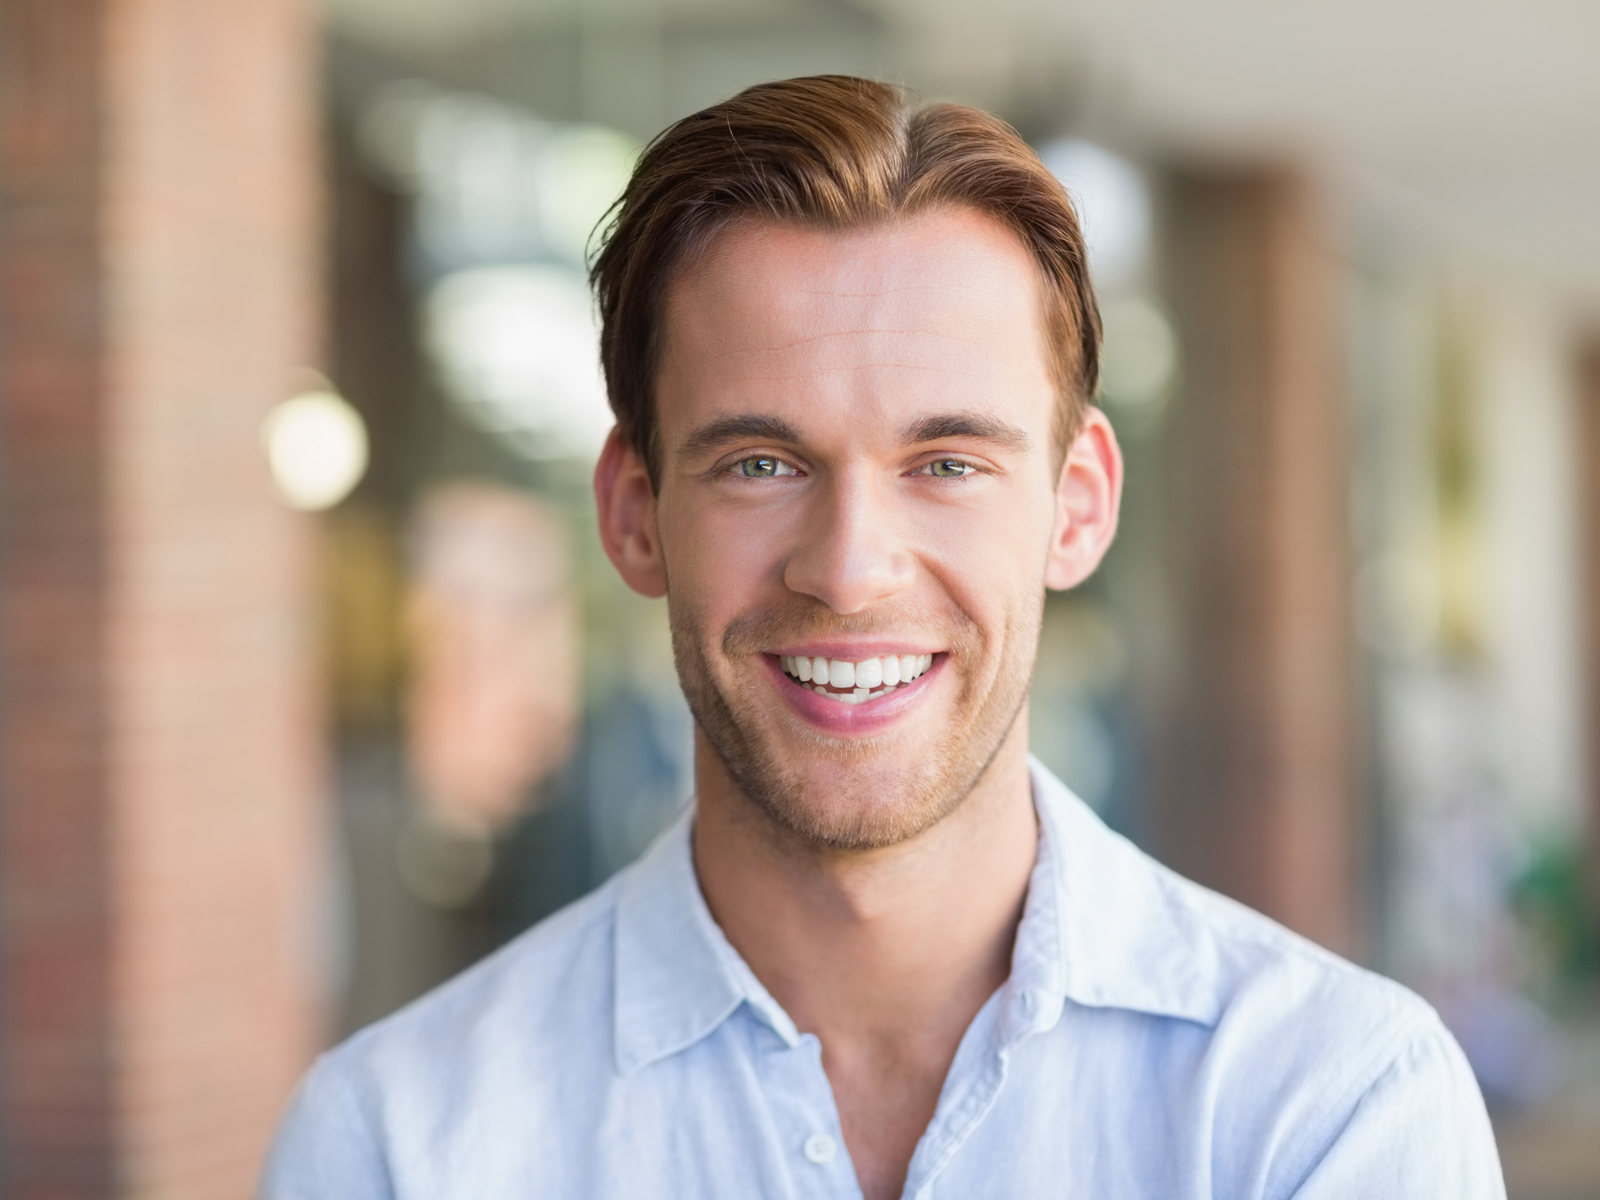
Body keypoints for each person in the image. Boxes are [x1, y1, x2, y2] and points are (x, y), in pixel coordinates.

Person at [261, 75, 1504, 1199]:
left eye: (947, 462)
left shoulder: (1330, 1109)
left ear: (1077, 509)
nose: (850, 570)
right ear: (634, 515)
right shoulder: (400, 1145)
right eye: (759, 462)